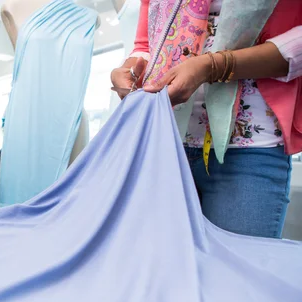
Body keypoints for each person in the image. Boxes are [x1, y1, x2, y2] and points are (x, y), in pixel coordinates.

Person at [111, 0, 302, 239]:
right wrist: (130, 69)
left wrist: (214, 66)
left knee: (235, 272)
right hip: (165, 142)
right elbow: (147, 44)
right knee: (159, 268)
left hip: (248, 150)